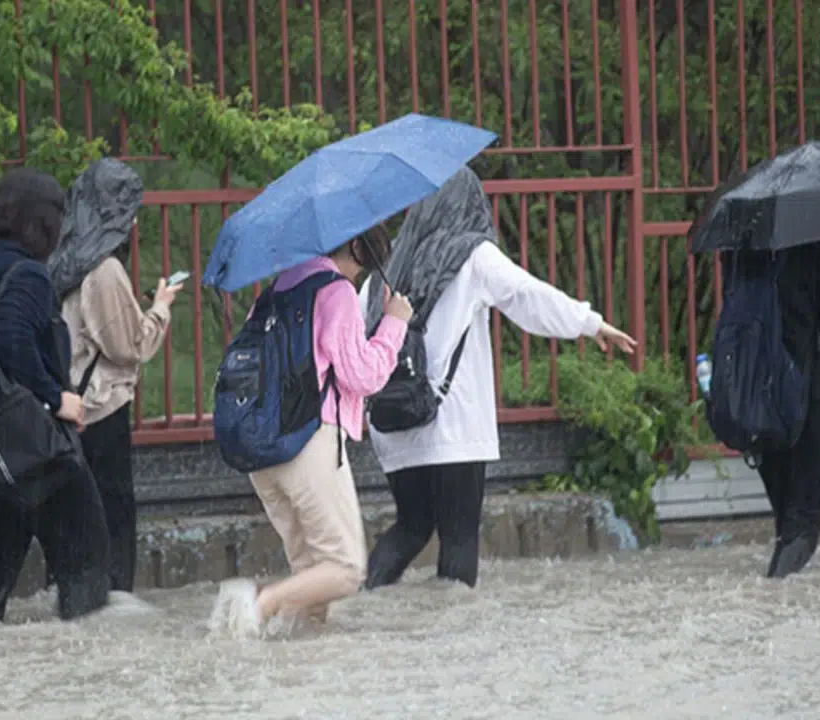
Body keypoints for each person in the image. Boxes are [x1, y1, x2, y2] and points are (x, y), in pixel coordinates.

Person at [360, 168, 637, 590]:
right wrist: (590, 323)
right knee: (459, 535)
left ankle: (363, 598)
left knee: (412, 527)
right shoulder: (472, 255)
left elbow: (363, 326)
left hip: (393, 418)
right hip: (452, 425)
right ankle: (454, 635)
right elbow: (527, 295)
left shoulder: (393, 261)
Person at [210, 225, 411, 637]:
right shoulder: (335, 291)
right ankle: (258, 602)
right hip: (309, 444)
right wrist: (394, 325)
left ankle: (305, 671)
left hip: (264, 452)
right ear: (357, 245)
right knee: (344, 568)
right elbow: (362, 376)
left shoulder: (275, 291)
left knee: (310, 580)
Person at [0, 168, 111, 622]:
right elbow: (14, 339)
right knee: (86, 559)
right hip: (29, 449)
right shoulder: (29, 277)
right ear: (41, 225)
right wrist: (56, 397)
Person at [42, 158, 181, 592]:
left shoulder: (63, 259)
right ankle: (113, 601)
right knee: (113, 513)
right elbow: (130, 346)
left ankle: (73, 598)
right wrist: (160, 307)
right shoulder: (104, 269)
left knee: (77, 515)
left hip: (67, 406)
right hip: (101, 410)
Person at [738, 237, 820, 578]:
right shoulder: (813, 247)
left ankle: (786, 578)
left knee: (786, 508)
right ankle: (777, 592)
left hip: (760, 393)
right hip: (812, 390)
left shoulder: (744, 252)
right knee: (804, 516)